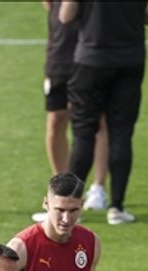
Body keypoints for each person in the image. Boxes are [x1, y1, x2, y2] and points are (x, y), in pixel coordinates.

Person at [58, 0, 148, 225]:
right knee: (121, 133)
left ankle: (69, 206)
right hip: (130, 61)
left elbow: (66, 15)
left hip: (90, 59)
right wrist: (132, 17)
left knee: (84, 133)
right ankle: (117, 207)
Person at [39, 0, 108, 220]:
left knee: (97, 122)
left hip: (92, 55)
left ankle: (98, 188)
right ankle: (62, 194)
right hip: (59, 57)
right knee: (56, 120)